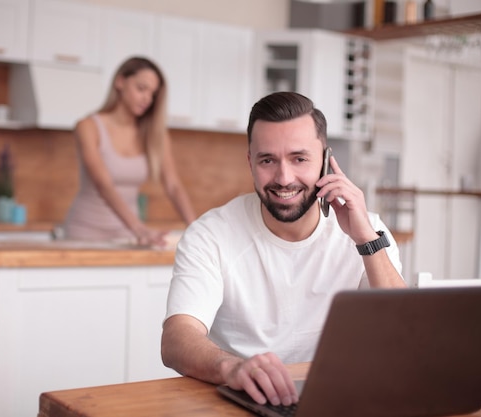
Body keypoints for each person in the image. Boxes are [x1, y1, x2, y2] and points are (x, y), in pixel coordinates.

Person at [161, 92, 406, 408]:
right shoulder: (211, 233)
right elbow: (176, 340)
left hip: (336, 400)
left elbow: (402, 338)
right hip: (242, 401)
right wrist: (232, 367)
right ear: (251, 162)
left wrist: (365, 239)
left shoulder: (368, 231)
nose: (284, 178)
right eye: (267, 160)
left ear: (326, 161)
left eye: (299, 158)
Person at [63, 56, 196, 246]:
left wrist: (197, 229)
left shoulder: (155, 135)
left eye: (153, 94)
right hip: (85, 232)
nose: (147, 99)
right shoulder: (88, 127)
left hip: (128, 235)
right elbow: (103, 184)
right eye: (141, 89)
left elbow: (173, 186)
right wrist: (140, 229)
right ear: (120, 82)